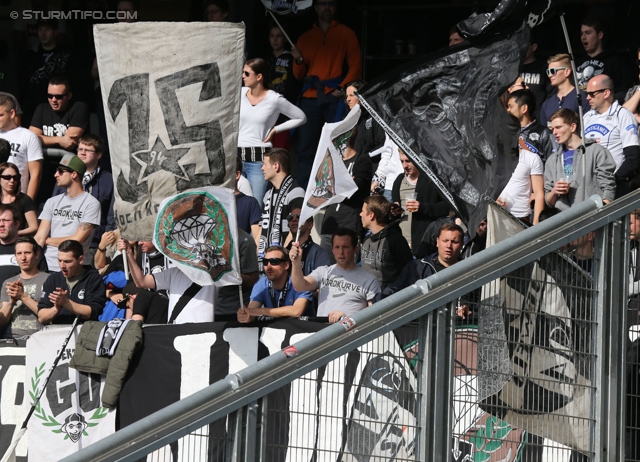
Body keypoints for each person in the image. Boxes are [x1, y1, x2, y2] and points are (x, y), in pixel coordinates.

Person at [291, 0, 362, 189]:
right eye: (322, 3)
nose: (327, 7)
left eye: (331, 3)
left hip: (333, 96)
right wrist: (298, 60)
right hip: (309, 98)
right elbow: (298, 75)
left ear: (336, 7)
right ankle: (304, 192)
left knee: (335, 146)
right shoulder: (305, 38)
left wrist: (342, 87)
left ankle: (331, 188)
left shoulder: (346, 33)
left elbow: (356, 65)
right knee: (306, 149)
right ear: (315, 8)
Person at [238, 58, 306, 205]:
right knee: (235, 207)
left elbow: (301, 117)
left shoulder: (274, 99)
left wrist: (276, 129)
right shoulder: (240, 94)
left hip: (258, 161)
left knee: (255, 206)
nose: (242, 76)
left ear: (259, 77)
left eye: (246, 73)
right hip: (237, 158)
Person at [378, 223, 472, 319]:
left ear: (461, 245)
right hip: (419, 324)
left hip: (456, 325)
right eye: (445, 241)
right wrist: (380, 301)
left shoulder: (470, 270)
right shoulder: (416, 267)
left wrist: (466, 307)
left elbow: (476, 300)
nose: (449, 245)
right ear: (437, 242)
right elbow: (395, 289)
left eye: (454, 242)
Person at [290, 228, 380, 323]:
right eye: (337, 247)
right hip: (321, 333)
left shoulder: (369, 280)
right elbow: (299, 286)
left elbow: (375, 317)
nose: (341, 252)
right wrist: (296, 262)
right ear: (332, 250)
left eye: (345, 247)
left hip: (350, 334)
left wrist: (348, 318)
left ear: (355, 249)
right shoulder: (323, 271)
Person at [117, 239, 218, 323]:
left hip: (203, 334)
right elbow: (141, 282)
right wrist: (129, 253)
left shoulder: (214, 273)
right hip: (175, 333)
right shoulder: (173, 273)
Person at [52, 134, 115, 265]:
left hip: (94, 245)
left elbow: (111, 215)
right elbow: (53, 208)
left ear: (99, 155)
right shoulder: (65, 176)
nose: (82, 153)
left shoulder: (109, 180)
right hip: (64, 244)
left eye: (88, 150)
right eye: (80, 149)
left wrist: (105, 244)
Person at [35, 154, 101, 271]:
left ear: (74, 174)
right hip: (46, 265)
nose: (56, 175)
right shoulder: (52, 202)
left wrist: (48, 240)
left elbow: (75, 241)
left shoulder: (91, 204)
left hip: (73, 268)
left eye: (60, 171)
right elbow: (40, 237)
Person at [544, 108, 616, 210]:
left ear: (573, 127)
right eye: (552, 129)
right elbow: (549, 201)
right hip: (564, 219)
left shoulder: (596, 151)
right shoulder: (552, 160)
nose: (554, 132)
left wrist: (602, 212)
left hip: (590, 217)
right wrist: (555, 191)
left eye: (558, 127)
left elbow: (608, 188)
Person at [583, 74, 640, 196]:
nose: (587, 97)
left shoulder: (623, 115)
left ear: (606, 93)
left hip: (613, 186)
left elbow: (633, 157)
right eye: (586, 94)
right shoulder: (587, 117)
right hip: (588, 186)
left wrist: (614, 180)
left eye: (592, 94)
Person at [320, 129, 372, 256]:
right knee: (325, 272)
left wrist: (337, 183)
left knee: (347, 272)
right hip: (329, 225)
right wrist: (346, 181)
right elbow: (323, 188)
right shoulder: (331, 162)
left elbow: (354, 187)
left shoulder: (362, 160)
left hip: (349, 225)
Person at [390, 150, 450, 255]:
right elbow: (396, 212)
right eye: (402, 161)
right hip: (402, 243)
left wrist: (422, 207)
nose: (405, 165)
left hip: (425, 242)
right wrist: (394, 212)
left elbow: (446, 207)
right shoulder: (399, 180)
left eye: (408, 161)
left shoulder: (432, 179)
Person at [37, 239, 106, 324]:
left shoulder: (93, 279)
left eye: (67, 261)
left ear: (80, 259)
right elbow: (41, 318)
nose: (62, 266)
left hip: (84, 331)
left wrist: (66, 302)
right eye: (59, 260)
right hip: (56, 332)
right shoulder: (53, 279)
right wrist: (57, 308)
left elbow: (92, 312)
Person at [237, 245, 312, 323]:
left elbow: (297, 311)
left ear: (286, 265)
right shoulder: (261, 284)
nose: (268, 267)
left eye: (274, 262)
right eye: (265, 262)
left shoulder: (300, 283)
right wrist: (245, 317)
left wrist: (261, 311)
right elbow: (251, 313)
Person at [259, 148, 304, 268]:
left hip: (285, 262)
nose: (262, 168)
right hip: (268, 262)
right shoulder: (268, 195)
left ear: (276, 166)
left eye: (265, 164)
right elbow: (261, 229)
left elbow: (295, 229)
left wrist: (280, 257)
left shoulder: (296, 192)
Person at [576, 17, 636, 103]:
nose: (583, 37)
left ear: (599, 35)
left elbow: (623, 92)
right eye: (581, 34)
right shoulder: (577, 62)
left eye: (588, 33)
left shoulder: (615, 62)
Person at [360, 195, 413, 289]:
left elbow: (407, 274)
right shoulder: (366, 239)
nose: (360, 214)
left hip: (387, 298)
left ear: (371, 215)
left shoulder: (396, 241)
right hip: (365, 293)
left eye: (363, 211)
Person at [0, 236, 49, 338]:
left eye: (27, 253)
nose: (23, 258)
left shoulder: (49, 280)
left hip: (40, 339)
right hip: (11, 341)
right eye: (19, 253)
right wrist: (12, 302)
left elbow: (50, 317)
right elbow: (1, 323)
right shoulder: (8, 283)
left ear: (37, 254)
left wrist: (23, 296)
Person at [28, 75, 89, 151]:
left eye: (58, 97)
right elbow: (31, 138)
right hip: (44, 158)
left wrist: (43, 139)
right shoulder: (42, 108)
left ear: (69, 96)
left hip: (69, 159)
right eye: (50, 96)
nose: (53, 100)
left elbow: (69, 142)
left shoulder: (78, 108)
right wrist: (59, 140)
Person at [0, 94, 43, 201]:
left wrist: (27, 204)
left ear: (12, 113)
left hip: (16, 199)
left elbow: (36, 174)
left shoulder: (28, 136)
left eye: (0, 115)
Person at [216, 229, 259, 319]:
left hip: (233, 311)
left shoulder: (245, 240)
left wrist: (228, 274)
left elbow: (253, 278)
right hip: (203, 309)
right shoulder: (200, 239)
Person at [506, 89, 559, 163]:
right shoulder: (507, 132)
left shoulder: (544, 133)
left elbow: (554, 163)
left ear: (524, 108)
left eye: (510, 106)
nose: (508, 110)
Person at [0, 204, 47, 285]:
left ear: (17, 224)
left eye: (6, 220)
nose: (1, 224)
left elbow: (43, 280)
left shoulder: (32, 248)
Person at [496, 145, 545, 224]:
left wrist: (536, 224)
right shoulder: (491, 159)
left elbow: (539, 193)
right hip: (495, 217)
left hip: (521, 219)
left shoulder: (531, 158)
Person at [540, 53, 591, 127]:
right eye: (548, 72)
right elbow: (544, 132)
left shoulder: (580, 97)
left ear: (567, 72)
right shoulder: (547, 104)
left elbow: (587, 125)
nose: (549, 75)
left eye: (553, 71)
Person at [285, 201, 330, 276]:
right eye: (290, 217)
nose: (294, 219)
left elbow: (322, 282)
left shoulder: (319, 253)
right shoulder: (284, 252)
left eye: (299, 216)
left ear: (310, 225)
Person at [520, 32, 552, 121]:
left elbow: (551, 94)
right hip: (516, 120)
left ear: (534, 47)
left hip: (538, 120)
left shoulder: (544, 68)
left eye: (525, 45)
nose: (521, 48)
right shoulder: (513, 68)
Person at [0, 162, 38, 235]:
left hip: (16, 242)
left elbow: (34, 227)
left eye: (16, 177)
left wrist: (14, 233)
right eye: (7, 177)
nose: (12, 181)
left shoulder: (24, 199)